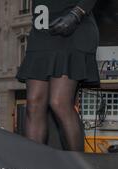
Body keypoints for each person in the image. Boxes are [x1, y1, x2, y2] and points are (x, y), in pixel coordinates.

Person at [17, 0, 99, 151]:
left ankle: (78, 168)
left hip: (73, 24)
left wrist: (76, 14)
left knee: (59, 102)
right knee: (33, 102)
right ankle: (34, 168)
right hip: (42, 29)